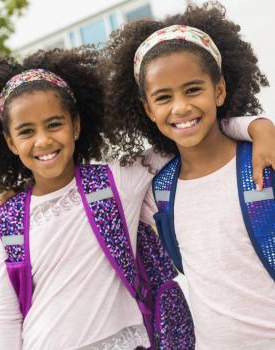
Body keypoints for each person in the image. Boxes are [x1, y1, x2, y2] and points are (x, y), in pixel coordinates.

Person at [0, 47, 274, 350]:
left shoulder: (115, 181)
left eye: (54, 125)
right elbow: (6, 314)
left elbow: (187, 134)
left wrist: (256, 127)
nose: (43, 141)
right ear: (9, 142)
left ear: (76, 126)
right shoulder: (9, 219)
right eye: (26, 132)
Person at [103, 1, 275, 349]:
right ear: (148, 110)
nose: (180, 107)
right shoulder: (158, 190)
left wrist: (260, 128)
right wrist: (18, 193)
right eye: (163, 97)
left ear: (219, 90)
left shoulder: (263, 163)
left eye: (193, 89)